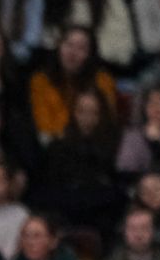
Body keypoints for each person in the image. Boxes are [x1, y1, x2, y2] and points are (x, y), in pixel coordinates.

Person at [35, 85, 125, 241]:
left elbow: (118, 193)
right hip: (65, 220)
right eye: (81, 111)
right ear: (73, 113)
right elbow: (48, 192)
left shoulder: (115, 148)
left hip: (103, 224)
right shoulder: (57, 148)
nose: (86, 118)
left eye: (94, 112)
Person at [29, 26, 117, 144]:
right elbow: (43, 126)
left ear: (90, 54)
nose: (72, 53)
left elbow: (106, 122)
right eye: (69, 45)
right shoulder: (40, 80)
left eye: (81, 48)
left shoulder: (103, 80)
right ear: (59, 46)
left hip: (94, 145)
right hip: (54, 145)